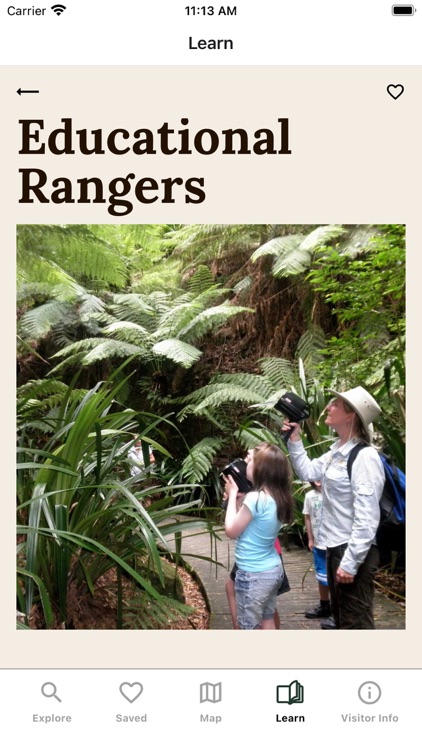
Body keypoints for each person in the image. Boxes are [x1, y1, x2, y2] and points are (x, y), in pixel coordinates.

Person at [285, 386, 384, 630]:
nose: (329, 408)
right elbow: (308, 472)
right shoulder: (336, 452)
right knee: (341, 619)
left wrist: (350, 562)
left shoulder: (364, 457)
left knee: (355, 624)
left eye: (335, 405)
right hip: (333, 546)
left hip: (352, 550)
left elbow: (368, 516)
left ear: (351, 415)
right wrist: (295, 439)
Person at [224, 443, 294, 630]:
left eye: (250, 460)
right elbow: (251, 524)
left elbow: (231, 531)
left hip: (253, 574)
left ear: (260, 469)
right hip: (272, 570)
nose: (245, 464)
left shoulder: (256, 498)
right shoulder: (279, 498)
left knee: (249, 626)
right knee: (267, 617)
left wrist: (231, 496)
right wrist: (239, 500)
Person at [302, 481, 331, 620]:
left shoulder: (334, 492)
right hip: (319, 543)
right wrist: (310, 539)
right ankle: (324, 604)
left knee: (336, 576)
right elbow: (307, 517)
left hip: (335, 543)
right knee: (321, 575)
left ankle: (338, 608)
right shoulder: (309, 496)